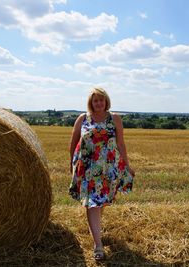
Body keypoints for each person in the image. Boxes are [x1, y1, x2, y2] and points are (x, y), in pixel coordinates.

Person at [69, 87, 135, 261]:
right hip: (88, 168)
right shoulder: (83, 119)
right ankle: (98, 245)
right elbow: (73, 142)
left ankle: (95, 227)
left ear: (106, 101)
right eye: (95, 100)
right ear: (91, 103)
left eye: (101, 100)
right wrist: (72, 164)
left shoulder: (115, 119)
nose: (98, 103)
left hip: (109, 168)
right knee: (92, 204)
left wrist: (127, 166)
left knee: (102, 202)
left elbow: (121, 143)